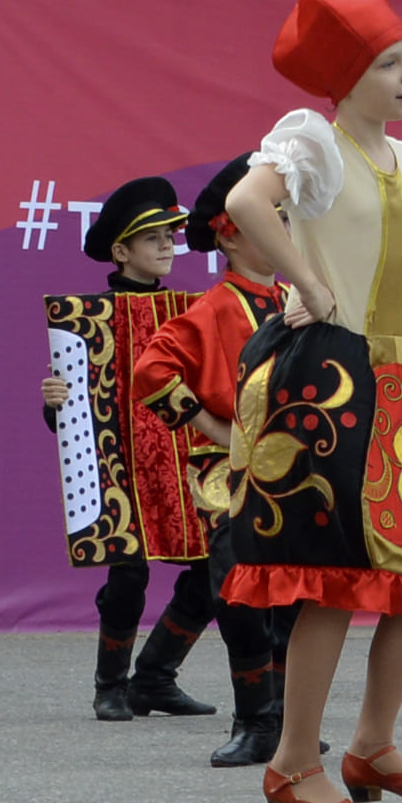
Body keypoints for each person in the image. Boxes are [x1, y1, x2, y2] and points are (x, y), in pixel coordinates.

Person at [219, 0, 402, 803]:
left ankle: (373, 742)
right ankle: (295, 763)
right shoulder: (316, 145)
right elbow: (243, 202)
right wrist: (305, 282)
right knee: (333, 578)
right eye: (388, 63)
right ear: (347, 79)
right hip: (329, 377)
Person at [129, 158, 301, 768]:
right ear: (230, 233)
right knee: (241, 599)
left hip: (294, 474)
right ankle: (255, 721)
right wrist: (209, 425)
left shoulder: (291, 298)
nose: (284, 230)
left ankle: (284, 723)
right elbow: (150, 370)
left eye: (285, 218)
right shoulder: (215, 307)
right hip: (231, 479)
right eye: (270, 219)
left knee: (293, 601)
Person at [42, 175, 223, 722]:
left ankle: (154, 678)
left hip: (185, 456)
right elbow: (71, 419)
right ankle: (109, 685)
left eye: (171, 234)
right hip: (117, 463)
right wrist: (54, 402)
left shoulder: (195, 313)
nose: (169, 244)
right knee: (128, 573)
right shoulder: (86, 321)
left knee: (216, 569)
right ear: (121, 251)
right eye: (153, 238)